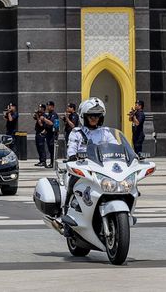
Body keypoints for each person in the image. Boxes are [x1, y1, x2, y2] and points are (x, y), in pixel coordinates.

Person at [62, 98, 120, 228]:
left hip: (103, 169)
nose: (94, 118)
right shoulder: (76, 133)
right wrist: (73, 156)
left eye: (97, 116)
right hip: (83, 170)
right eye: (91, 116)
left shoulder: (106, 133)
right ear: (84, 117)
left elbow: (116, 146)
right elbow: (71, 149)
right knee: (71, 186)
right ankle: (66, 216)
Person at [45, 101, 59, 167]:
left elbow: (51, 123)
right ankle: (51, 162)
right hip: (48, 134)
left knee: (52, 149)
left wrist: (44, 119)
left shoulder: (54, 114)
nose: (48, 107)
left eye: (49, 106)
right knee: (50, 149)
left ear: (52, 106)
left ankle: (53, 163)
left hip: (53, 134)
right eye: (47, 106)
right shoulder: (49, 114)